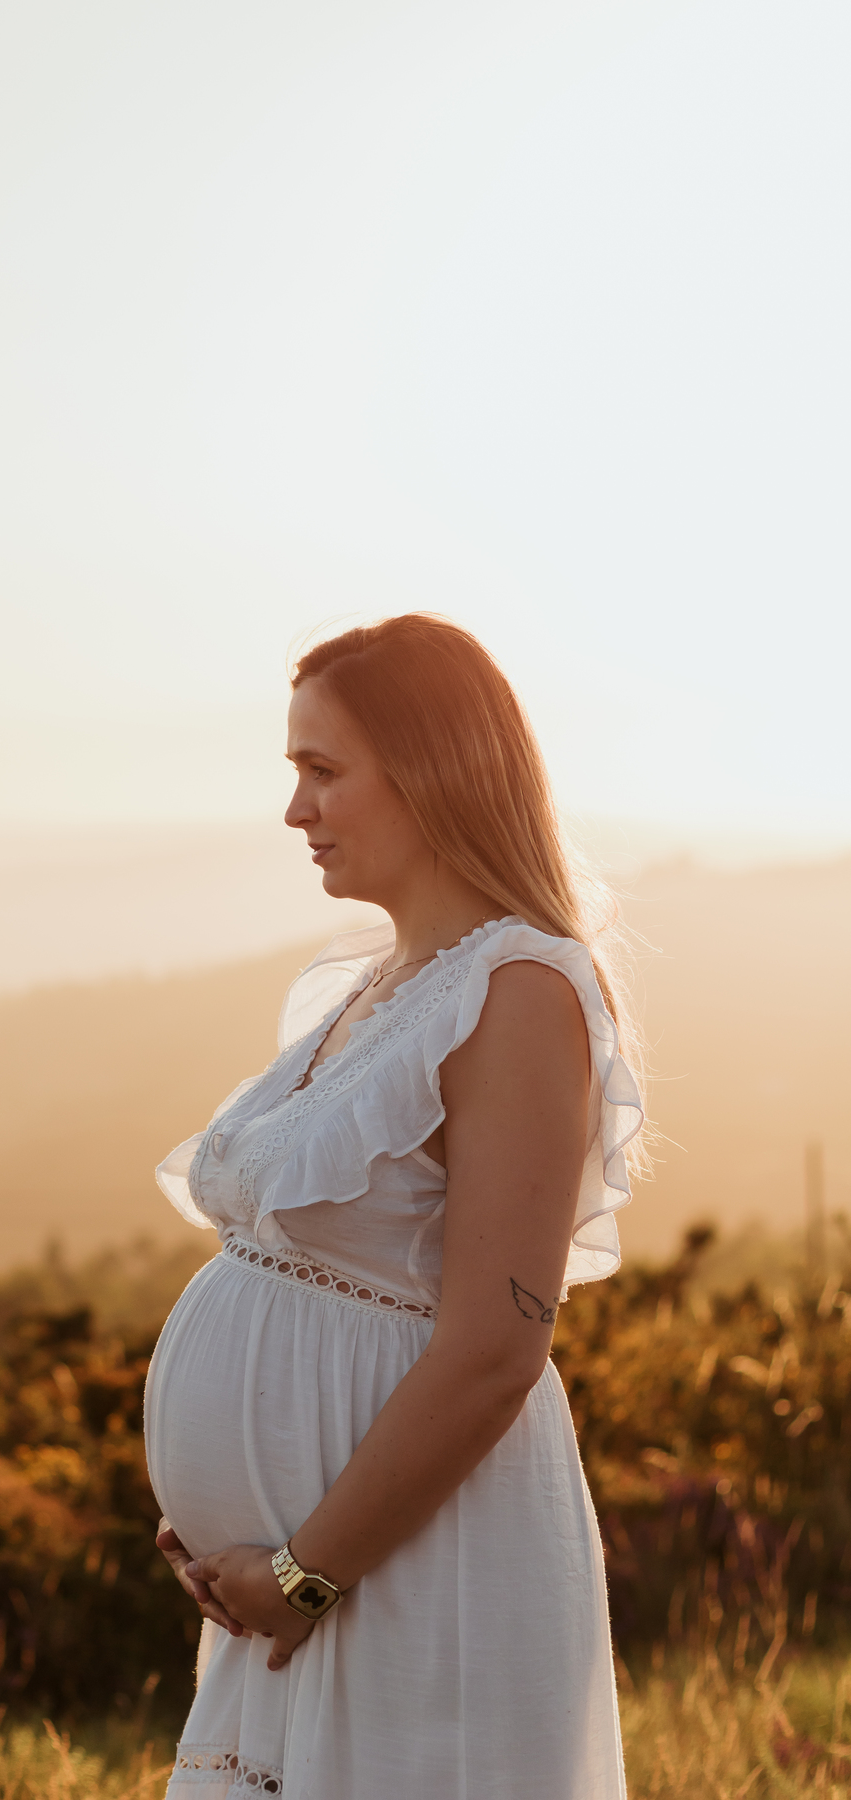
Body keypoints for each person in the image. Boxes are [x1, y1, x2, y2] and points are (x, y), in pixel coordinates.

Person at [144, 614, 644, 1798]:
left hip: (412, 1570)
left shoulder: (520, 991)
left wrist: (306, 1569)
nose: (296, 810)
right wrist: (221, 1515)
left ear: (432, 771)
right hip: (299, 1581)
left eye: (324, 771)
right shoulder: (379, 983)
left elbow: (495, 1349)